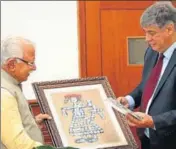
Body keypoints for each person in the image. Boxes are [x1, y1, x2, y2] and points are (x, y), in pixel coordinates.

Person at [117, 2, 176, 149]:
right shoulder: (151, 52)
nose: (146, 39)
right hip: (147, 138)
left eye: (151, 33)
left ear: (169, 29)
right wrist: (129, 100)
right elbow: (148, 85)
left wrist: (154, 121)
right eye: (145, 32)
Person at [1, 36, 52, 149]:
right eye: (30, 63)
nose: (34, 68)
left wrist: (32, 124)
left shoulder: (11, 84)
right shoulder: (4, 93)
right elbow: (17, 143)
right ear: (11, 64)